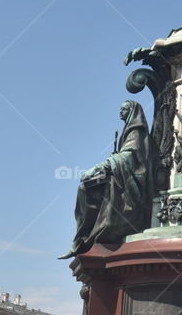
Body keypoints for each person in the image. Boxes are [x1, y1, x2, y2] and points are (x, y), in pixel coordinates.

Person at [60, 100, 156, 259]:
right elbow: (123, 157)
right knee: (84, 188)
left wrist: (99, 167)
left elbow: (129, 157)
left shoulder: (136, 132)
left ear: (132, 112)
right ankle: (82, 238)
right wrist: (112, 160)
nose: (120, 112)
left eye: (124, 109)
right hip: (122, 175)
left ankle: (99, 230)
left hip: (134, 181)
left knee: (94, 188)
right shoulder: (129, 132)